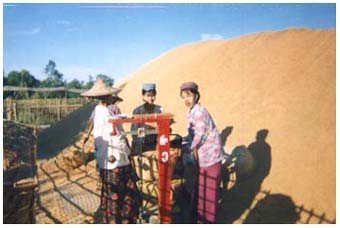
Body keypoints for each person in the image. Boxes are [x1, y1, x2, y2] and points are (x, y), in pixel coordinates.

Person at [81, 79, 141, 224]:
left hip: (106, 159)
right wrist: (128, 151)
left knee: (112, 194)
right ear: (106, 97)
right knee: (123, 194)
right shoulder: (105, 113)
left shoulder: (99, 111)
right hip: (116, 159)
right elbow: (117, 136)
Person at [180, 81, 224, 224]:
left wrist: (188, 147)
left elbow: (199, 136)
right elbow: (191, 134)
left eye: (189, 96)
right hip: (203, 158)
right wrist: (182, 142)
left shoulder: (199, 112)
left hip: (211, 156)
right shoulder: (191, 111)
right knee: (202, 191)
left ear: (196, 96)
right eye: (183, 97)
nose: (186, 100)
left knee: (209, 194)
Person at [131, 83, 163, 153]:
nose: (151, 98)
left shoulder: (159, 109)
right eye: (148, 96)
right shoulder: (137, 111)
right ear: (143, 96)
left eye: (153, 96)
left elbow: (163, 127)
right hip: (141, 145)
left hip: (156, 144)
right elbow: (135, 132)